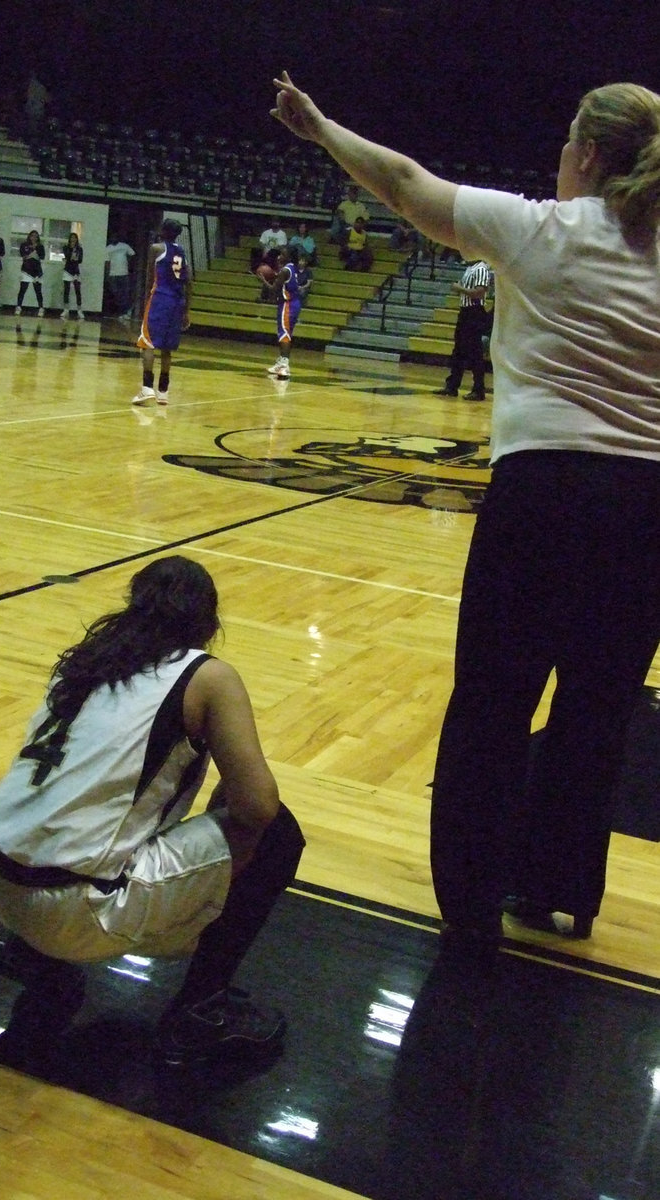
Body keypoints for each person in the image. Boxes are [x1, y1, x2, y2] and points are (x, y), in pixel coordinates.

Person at [272, 72, 660, 951]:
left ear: (588, 155)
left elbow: (404, 183)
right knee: (599, 710)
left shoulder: (537, 231)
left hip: (544, 495)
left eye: (568, 141)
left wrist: (324, 125)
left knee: (492, 700)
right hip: (646, 512)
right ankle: (561, 892)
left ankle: (474, 901)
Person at [0, 555, 305, 1065]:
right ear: (209, 623)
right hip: (75, 907)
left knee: (67, 815)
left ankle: (38, 962)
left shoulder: (85, 659)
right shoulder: (206, 675)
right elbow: (258, 807)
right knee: (277, 833)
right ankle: (199, 1009)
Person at [133, 218, 192, 406]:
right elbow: (189, 281)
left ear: (163, 230)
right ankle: (163, 392)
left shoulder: (156, 249)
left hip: (160, 299)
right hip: (177, 301)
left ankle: (147, 388)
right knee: (166, 349)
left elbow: (150, 277)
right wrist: (186, 310)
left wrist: (144, 301)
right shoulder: (182, 252)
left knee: (147, 343)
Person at [433, 259, 492, 401]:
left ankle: (479, 389)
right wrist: (461, 289)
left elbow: (479, 292)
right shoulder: (470, 268)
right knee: (458, 350)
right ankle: (452, 386)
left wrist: (460, 289)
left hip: (474, 312)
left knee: (474, 352)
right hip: (465, 312)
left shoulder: (481, 268)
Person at [267, 245, 302, 380]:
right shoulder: (293, 268)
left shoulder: (285, 271)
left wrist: (263, 279)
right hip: (294, 303)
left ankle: (285, 366)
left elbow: (273, 289)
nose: (279, 256)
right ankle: (281, 361)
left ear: (288, 257)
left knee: (284, 334)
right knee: (286, 333)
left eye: (282, 254)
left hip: (287, 305)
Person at [14, 229, 45, 316]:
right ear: (29, 236)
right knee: (22, 289)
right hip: (26, 270)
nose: (34, 238)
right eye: (32, 236)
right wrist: (31, 255)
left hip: (37, 271)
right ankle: (19, 306)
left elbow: (42, 257)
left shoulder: (40, 246)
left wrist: (36, 252)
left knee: (38, 290)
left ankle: (41, 308)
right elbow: (23, 256)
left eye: (36, 236)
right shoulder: (24, 245)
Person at [104, 235, 135, 320]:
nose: (114, 238)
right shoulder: (108, 248)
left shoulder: (124, 246)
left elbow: (132, 255)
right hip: (113, 274)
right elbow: (107, 262)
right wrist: (107, 275)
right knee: (116, 293)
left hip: (124, 273)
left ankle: (127, 311)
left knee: (125, 293)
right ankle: (122, 311)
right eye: (112, 237)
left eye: (115, 237)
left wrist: (128, 264)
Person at [59, 231, 84, 320]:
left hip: (76, 271)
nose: (73, 239)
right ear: (69, 239)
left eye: (75, 238)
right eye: (71, 237)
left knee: (78, 290)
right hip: (67, 270)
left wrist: (74, 258)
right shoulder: (66, 247)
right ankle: (66, 309)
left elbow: (80, 260)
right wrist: (71, 257)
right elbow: (67, 257)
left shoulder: (79, 249)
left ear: (77, 239)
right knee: (67, 290)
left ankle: (79, 310)